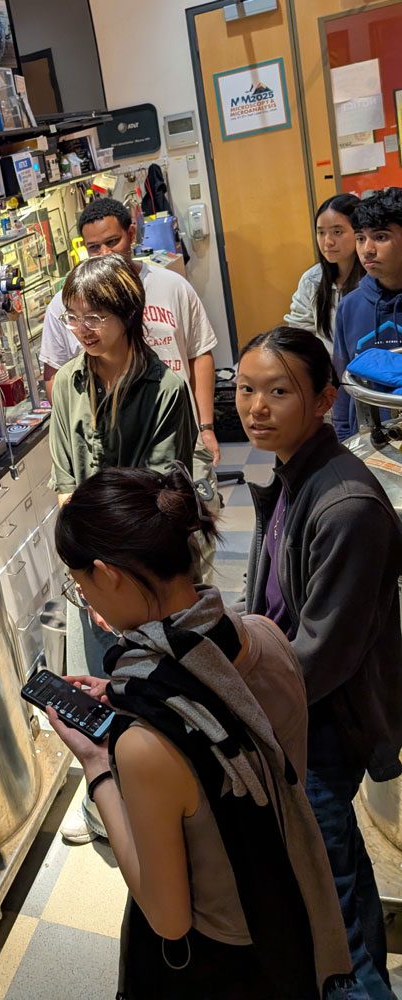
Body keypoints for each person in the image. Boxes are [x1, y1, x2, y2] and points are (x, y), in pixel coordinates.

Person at [47, 465, 357, 999]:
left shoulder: (144, 744)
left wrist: (98, 768)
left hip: (224, 959)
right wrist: (129, 694)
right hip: (288, 904)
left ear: (109, 574)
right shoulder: (265, 639)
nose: (89, 603)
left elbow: (168, 919)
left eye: (82, 588)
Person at [236, 326, 402, 998]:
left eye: (280, 391)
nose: (256, 407)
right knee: (340, 871)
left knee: (328, 906)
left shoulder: (346, 505)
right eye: (247, 389)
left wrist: (246, 705)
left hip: (322, 725)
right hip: (301, 711)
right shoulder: (294, 473)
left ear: (326, 399)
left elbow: (319, 657)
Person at [50, 252, 196, 843]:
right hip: (91, 567)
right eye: (73, 316)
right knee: (99, 678)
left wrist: (118, 580)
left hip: (143, 568)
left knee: (154, 680)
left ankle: (163, 795)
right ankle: (108, 795)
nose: (83, 329)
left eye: (95, 316)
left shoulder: (166, 389)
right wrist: (88, 575)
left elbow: (163, 495)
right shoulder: (66, 383)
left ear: (128, 313)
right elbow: (65, 483)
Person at [39, 197, 221, 469]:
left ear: (132, 233)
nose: (104, 254)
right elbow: (55, 375)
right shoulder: (64, 304)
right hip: (108, 446)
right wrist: (77, 437)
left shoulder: (173, 287)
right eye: (93, 247)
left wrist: (205, 425)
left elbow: (199, 354)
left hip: (175, 425)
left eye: (112, 242)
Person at [332, 187, 402, 440]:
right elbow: (342, 382)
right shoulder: (350, 306)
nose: (367, 250)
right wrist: (342, 437)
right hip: (367, 438)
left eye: (380, 237)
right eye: (361, 238)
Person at [285, 193, 363, 352]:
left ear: (359, 232)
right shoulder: (312, 280)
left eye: (337, 232)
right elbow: (299, 332)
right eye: (321, 232)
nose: (328, 242)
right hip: (326, 371)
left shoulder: (376, 279)